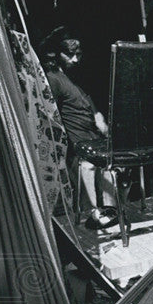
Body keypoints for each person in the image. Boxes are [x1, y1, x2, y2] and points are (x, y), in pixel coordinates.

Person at [40, 26, 118, 230]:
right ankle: (92, 222)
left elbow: (86, 98)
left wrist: (98, 116)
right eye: (70, 55)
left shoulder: (73, 76)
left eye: (78, 55)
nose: (75, 59)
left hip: (92, 137)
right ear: (57, 54)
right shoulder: (53, 78)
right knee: (89, 177)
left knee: (111, 171)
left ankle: (111, 216)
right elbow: (50, 114)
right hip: (78, 146)